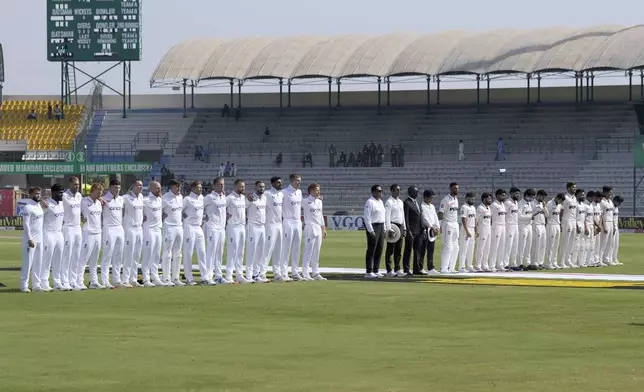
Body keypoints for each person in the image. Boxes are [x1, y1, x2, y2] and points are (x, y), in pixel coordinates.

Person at [36, 184, 65, 292]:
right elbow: (36, 210)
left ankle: (57, 282)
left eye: (62, 192)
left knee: (58, 259)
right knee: (47, 260)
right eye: (59, 192)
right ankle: (44, 282)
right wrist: (40, 202)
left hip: (59, 233)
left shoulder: (61, 203)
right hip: (48, 234)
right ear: (53, 192)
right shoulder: (47, 204)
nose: (61, 194)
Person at [182, 181, 208, 285]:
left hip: (199, 227)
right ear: (193, 188)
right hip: (189, 227)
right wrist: (184, 218)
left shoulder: (201, 198)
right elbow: (180, 210)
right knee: (188, 253)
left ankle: (204, 277)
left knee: (202, 253)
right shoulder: (187, 199)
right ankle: (189, 278)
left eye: (201, 187)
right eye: (198, 187)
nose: (201, 189)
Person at [100, 179, 125, 288]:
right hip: (109, 229)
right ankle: (105, 280)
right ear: (110, 188)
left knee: (118, 255)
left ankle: (116, 279)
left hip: (119, 228)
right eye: (115, 188)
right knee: (107, 255)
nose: (117, 190)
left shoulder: (120, 199)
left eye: (119, 188)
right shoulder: (104, 199)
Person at [19, 187, 45, 293]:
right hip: (30, 240)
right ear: (31, 194)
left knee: (38, 263)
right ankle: (24, 285)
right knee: (27, 264)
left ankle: (36, 285)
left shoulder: (39, 206)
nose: (38, 195)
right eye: (36, 194)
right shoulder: (28, 207)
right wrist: (30, 238)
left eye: (39, 193)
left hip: (40, 239)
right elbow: (26, 224)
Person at [80, 183, 105, 289]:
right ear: (91, 192)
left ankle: (93, 281)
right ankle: (79, 281)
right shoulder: (84, 201)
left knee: (94, 260)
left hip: (98, 233)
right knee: (84, 259)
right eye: (97, 193)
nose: (99, 195)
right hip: (88, 232)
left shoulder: (99, 203)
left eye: (100, 193)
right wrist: (81, 218)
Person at [204, 177, 228, 284]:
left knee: (219, 252)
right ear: (214, 186)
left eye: (223, 184)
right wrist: (204, 217)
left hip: (222, 228)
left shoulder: (223, 197)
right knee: (211, 252)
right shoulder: (209, 197)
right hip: (212, 228)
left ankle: (218, 275)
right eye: (219, 184)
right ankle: (208, 276)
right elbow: (200, 207)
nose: (222, 186)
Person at [141, 181, 165, 287]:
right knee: (147, 254)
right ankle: (146, 279)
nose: (159, 190)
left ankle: (155, 277)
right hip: (148, 230)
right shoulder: (145, 200)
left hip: (158, 229)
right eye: (157, 188)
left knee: (156, 254)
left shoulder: (160, 200)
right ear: (151, 188)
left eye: (160, 188)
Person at [226, 179, 251, 283]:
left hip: (242, 226)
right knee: (232, 251)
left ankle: (239, 275)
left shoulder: (243, 198)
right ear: (236, 186)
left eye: (244, 187)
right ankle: (229, 276)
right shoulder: (230, 198)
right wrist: (226, 216)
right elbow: (222, 208)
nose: (243, 188)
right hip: (233, 227)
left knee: (240, 252)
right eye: (241, 187)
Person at [302, 183, 327, 281]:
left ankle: (315, 273)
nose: (319, 192)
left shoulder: (319, 202)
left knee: (317, 251)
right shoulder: (305, 201)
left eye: (319, 190)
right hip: (309, 227)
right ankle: (305, 273)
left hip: (318, 228)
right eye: (317, 190)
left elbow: (321, 216)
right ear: (311, 191)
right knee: (308, 251)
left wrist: (323, 228)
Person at [122, 180, 144, 288]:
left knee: (136, 255)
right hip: (130, 228)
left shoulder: (141, 197)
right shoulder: (126, 198)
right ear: (134, 186)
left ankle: (133, 279)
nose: (141, 187)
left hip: (139, 228)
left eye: (142, 185)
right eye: (139, 185)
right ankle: (125, 279)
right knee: (128, 255)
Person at [282, 174, 304, 281]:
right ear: (292, 181)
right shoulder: (284, 192)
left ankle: (295, 272)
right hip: (288, 222)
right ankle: (284, 272)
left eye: (300, 180)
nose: (299, 182)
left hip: (297, 222)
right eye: (297, 180)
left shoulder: (299, 192)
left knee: (296, 248)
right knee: (286, 248)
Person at [162, 179, 184, 286]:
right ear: (171, 187)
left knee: (178, 253)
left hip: (179, 226)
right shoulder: (165, 197)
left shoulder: (180, 197)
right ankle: (166, 278)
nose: (178, 188)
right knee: (167, 252)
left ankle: (176, 278)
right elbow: (158, 210)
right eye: (176, 186)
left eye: (179, 186)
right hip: (169, 227)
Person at [62, 177, 83, 291]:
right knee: (67, 255)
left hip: (77, 227)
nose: (77, 186)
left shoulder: (79, 196)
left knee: (76, 255)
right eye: (75, 184)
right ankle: (65, 281)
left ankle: (73, 281)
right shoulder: (65, 196)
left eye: (78, 184)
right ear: (70, 184)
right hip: (68, 227)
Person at [263, 177, 285, 282]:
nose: (280, 184)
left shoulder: (281, 194)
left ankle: (277, 274)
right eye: (278, 182)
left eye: (280, 182)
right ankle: (262, 273)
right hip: (270, 225)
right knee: (268, 249)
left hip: (279, 225)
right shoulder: (267, 194)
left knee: (278, 250)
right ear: (272, 183)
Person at [245, 181, 267, 283]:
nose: (262, 188)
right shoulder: (251, 197)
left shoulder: (264, 198)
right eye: (260, 187)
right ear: (256, 187)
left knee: (260, 252)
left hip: (262, 227)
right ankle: (249, 275)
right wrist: (248, 199)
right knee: (251, 251)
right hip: (252, 226)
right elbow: (244, 206)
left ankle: (256, 274)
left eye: (263, 187)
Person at [363, 184, 386, 279]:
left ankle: (376, 270)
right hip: (373, 226)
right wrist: (370, 230)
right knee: (371, 249)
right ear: (373, 192)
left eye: (380, 191)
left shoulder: (380, 202)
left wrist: (384, 229)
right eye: (378, 191)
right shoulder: (370, 202)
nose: (380, 193)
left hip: (380, 226)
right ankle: (369, 271)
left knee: (379, 249)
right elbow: (367, 217)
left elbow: (383, 216)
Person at [384, 184, 406, 277]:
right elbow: (387, 216)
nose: (399, 191)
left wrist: (404, 228)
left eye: (399, 189)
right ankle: (389, 270)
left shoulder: (401, 202)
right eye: (397, 190)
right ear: (392, 190)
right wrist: (389, 229)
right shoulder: (389, 202)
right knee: (390, 249)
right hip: (392, 225)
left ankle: (397, 268)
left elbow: (403, 215)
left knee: (398, 248)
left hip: (400, 225)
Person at [438, 182, 460, 274]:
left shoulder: (456, 199)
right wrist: (440, 225)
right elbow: (440, 213)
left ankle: (451, 268)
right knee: (448, 247)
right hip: (447, 224)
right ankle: (444, 268)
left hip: (455, 224)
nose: (456, 190)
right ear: (450, 189)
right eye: (455, 188)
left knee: (456, 247)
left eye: (457, 188)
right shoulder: (445, 200)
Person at [402, 186, 424, 275]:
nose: (417, 194)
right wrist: (408, 230)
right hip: (411, 230)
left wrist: (422, 228)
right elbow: (406, 217)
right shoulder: (406, 203)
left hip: (418, 230)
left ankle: (416, 269)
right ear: (411, 192)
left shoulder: (416, 202)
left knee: (417, 250)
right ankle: (406, 269)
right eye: (416, 192)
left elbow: (419, 217)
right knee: (408, 250)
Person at [419, 189, 440, 274]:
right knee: (423, 249)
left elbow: (435, 217)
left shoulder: (432, 206)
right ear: (425, 197)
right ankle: (420, 267)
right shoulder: (422, 206)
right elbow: (424, 218)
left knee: (431, 249)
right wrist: (431, 227)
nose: (431, 199)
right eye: (430, 197)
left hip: (433, 231)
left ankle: (430, 268)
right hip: (425, 230)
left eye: (432, 198)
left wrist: (437, 227)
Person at [560, 182, 578, 268]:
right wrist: (560, 222)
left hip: (573, 221)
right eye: (573, 187)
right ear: (568, 188)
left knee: (571, 242)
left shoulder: (574, 198)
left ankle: (568, 260)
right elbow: (561, 211)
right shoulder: (565, 198)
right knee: (565, 242)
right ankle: (562, 261)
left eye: (575, 187)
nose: (574, 189)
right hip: (567, 221)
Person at [489, 189, 507, 272]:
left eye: (504, 195)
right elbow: (490, 217)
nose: (503, 197)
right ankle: (491, 265)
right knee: (494, 247)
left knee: (502, 246)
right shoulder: (493, 205)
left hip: (503, 226)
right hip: (496, 226)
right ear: (497, 195)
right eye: (502, 195)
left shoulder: (502, 204)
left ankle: (500, 265)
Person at [457, 192, 476, 273]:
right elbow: (463, 220)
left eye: (473, 199)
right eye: (471, 198)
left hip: (472, 228)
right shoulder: (464, 207)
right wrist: (467, 231)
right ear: (467, 198)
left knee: (471, 248)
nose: (472, 200)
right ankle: (461, 266)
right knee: (464, 248)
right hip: (466, 228)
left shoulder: (473, 208)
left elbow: (474, 219)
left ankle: (469, 265)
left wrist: (475, 230)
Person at [545, 193, 564, 269]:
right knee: (550, 245)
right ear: (557, 198)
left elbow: (559, 215)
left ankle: (554, 262)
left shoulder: (559, 205)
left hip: (557, 225)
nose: (560, 203)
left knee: (556, 246)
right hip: (551, 226)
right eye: (560, 201)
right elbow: (546, 215)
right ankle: (548, 263)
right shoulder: (549, 203)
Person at [517, 189, 535, 270]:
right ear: (526, 195)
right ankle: (519, 263)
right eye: (531, 197)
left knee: (528, 245)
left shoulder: (529, 204)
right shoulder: (520, 204)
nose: (532, 199)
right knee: (522, 245)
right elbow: (519, 216)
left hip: (529, 226)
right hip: (522, 226)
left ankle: (527, 263)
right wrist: (530, 217)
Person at [475, 192, 493, 272]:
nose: (490, 200)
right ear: (484, 199)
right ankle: (478, 265)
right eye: (488, 198)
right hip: (482, 229)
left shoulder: (488, 208)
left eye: (490, 198)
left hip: (488, 229)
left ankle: (485, 265)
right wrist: (476, 231)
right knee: (480, 248)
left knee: (487, 248)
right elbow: (476, 220)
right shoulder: (480, 208)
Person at [503, 187, 520, 271]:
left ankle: (513, 263)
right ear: (511, 193)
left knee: (515, 246)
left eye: (519, 194)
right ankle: (505, 264)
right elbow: (504, 215)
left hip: (516, 225)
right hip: (509, 226)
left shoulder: (516, 203)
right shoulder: (507, 203)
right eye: (516, 194)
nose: (518, 195)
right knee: (508, 246)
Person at [531, 190, 548, 269]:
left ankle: (540, 262)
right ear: (538, 195)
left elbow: (547, 215)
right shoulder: (532, 203)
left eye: (544, 197)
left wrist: (544, 207)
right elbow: (530, 215)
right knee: (536, 245)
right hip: (536, 225)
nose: (543, 198)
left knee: (542, 245)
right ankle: (534, 262)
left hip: (543, 225)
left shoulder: (542, 204)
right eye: (542, 196)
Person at [598, 186, 615, 266]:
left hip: (611, 222)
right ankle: (600, 259)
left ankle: (606, 258)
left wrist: (614, 226)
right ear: (604, 193)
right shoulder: (602, 202)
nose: (610, 194)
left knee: (609, 242)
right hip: (606, 223)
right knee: (603, 242)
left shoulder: (610, 202)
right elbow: (601, 215)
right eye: (609, 193)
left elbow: (612, 214)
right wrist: (603, 226)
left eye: (611, 192)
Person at [572, 189, 587, 268]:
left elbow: (584, 217)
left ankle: (580, 262)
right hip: (577, 225)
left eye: (583, 195)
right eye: (581, 195)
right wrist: (577, 227)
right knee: (576, 245)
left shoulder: (583, 205)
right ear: (577, 195)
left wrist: (585, 227)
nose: (583, 196)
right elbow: (574, 217)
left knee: (582, 245)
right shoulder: (575, 205)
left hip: (582, 225)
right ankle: (573, 262)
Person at [582, 191, 597, 268]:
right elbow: (583, 218)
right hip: (587, 226)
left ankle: (590, 261)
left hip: (591, 226)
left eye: (593, 198)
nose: (593, 199)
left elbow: (593, 218)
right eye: (592, 197)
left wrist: (594, 228)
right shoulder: (584, 205)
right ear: (588, 197)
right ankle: (584, 262)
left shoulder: (592, 205)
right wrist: (585, 227)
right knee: (586, 244)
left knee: (592, 244)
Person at [612, 195, 624, 265]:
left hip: (616, 227)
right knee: (611, 244)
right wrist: (613, 226)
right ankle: (609, 258)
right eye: (619, 202)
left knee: (616, 244)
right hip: (612, 226)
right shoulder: (611, 207)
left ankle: (615, 258)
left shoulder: (616, 208)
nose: (619, 204)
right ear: (615, 200)